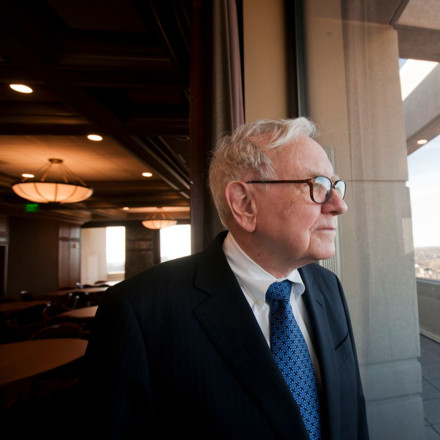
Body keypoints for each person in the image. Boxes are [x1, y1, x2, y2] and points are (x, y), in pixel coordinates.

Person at [80, 117, 369, 440]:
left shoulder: (328, 287)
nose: (339, 205)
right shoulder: (141, 310)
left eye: (335, 187)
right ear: (244, 204)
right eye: (317, 186)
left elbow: (353, 414)